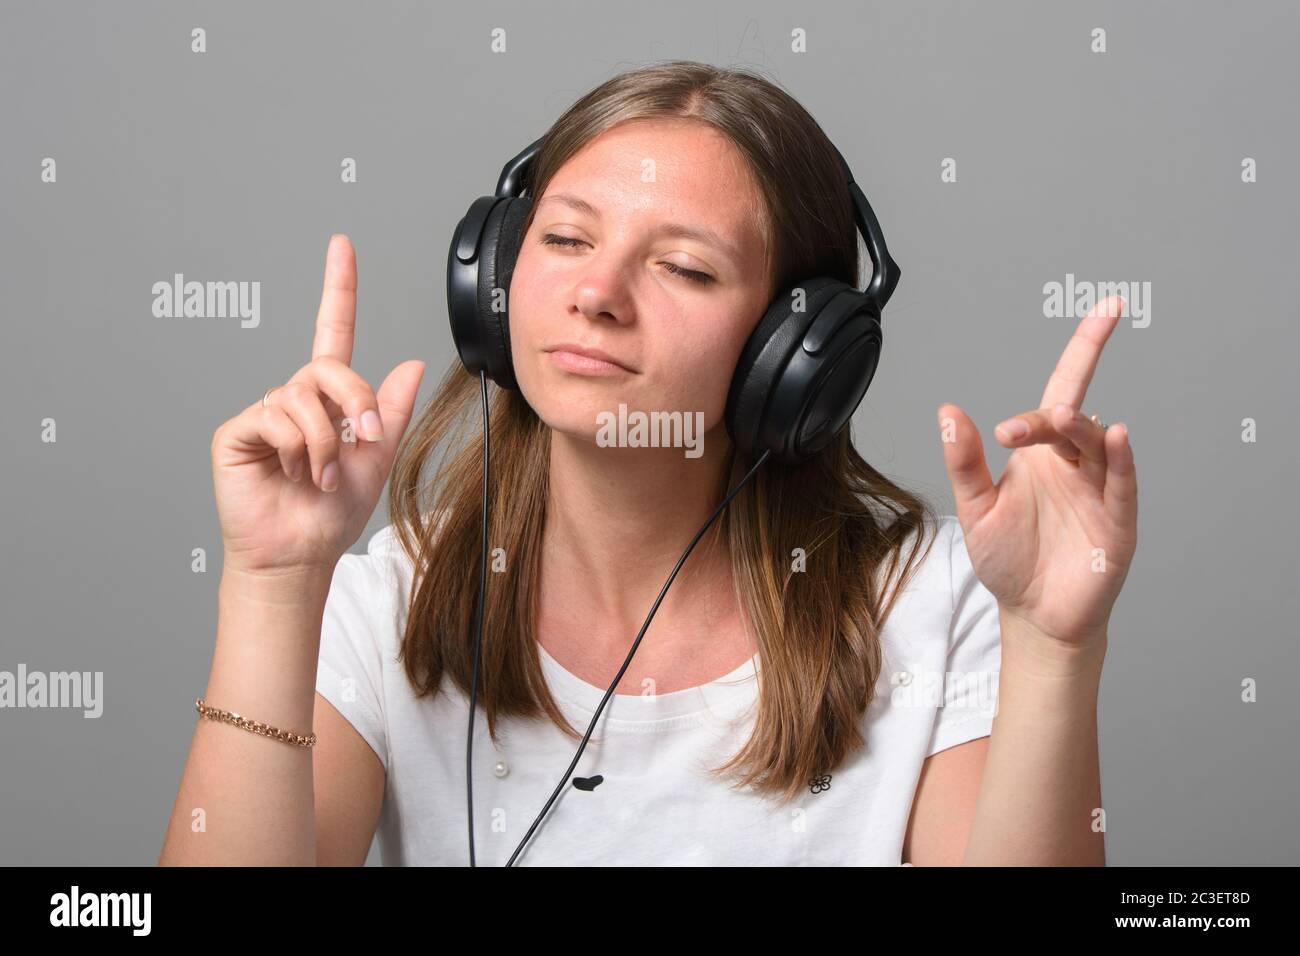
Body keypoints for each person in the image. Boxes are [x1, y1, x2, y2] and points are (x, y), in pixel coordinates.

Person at [159, 61, 1137, 867]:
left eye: (683, 266)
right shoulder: (389, 607)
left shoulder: (929, 601)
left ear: (795, 353)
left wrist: (1053, 649)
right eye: (567, 237)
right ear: (493, 282)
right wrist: (274, 584)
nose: (596, 292)